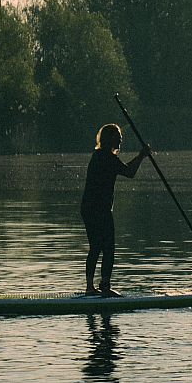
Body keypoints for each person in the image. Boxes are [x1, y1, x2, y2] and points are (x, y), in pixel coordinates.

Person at [81, 123, 151, 296]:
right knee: (106, 247)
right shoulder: (105, 157)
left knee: (96, 247)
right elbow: (129, 172)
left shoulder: (99, 155)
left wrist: (141, 156)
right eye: (118, 137)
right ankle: (102, 287)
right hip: (98, 209)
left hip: (90, 208)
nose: (120, 141)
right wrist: (141, 156)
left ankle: (92, 287)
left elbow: (126, 170)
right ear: (109, 139)